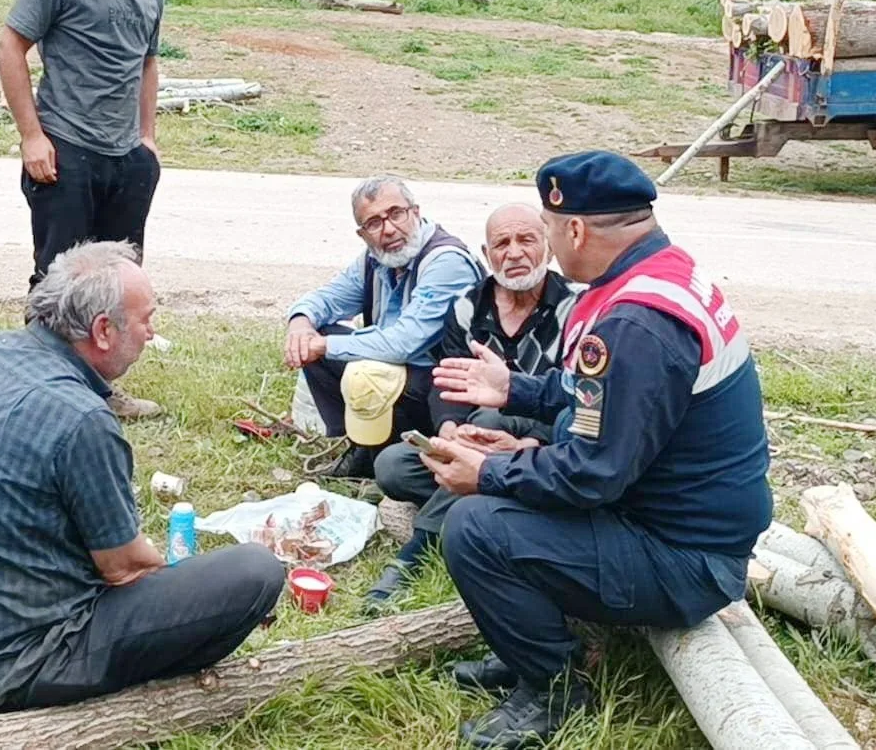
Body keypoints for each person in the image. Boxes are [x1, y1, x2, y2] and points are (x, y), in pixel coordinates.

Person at [424, 151, 772, 749]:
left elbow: (592, 475)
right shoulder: (661, 273)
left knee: (475, 526)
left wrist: (490, 470)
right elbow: (609, 403)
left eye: (550, 232)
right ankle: (527, 651)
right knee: (504, 497)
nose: (552, 249)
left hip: (687, 557)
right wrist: (518, 391)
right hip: (675, 520)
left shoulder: (634, 322)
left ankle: (553, 690)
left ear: (576, 227)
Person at [0, 241, 285, 715]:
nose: (152, 333)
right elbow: (125, 568)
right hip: (27, 664)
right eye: (147, 319)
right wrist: (180, 581)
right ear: (103, 330)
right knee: (255, 572)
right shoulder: (81, 419)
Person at [0, 0, 165, 419]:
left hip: (126, 160)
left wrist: (147, 140)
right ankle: (39, 390)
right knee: (56, 281)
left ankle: (101, 394)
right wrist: (31, 137)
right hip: (65, 149)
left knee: (115, 286)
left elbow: (147, 63)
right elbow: (10, 47)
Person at [362, 203, 577, 614]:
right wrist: (447, 431)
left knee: (491, 418)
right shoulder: (468, 307)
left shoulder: (574, 310)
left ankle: (413, 553)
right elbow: (446, 385)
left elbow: (577, 401)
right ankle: (484, 492)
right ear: (486, 253)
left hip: (541, 451)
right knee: (392, 465)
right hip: (478, 438)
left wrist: (529, 442)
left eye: (526, 240)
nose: (514, 253)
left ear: (548, 248)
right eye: (502, 243)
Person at [284, 176, 484, 480]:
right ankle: (361, 445)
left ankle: (385, 454)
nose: (389, 229)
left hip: (447, 389)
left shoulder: (446, 262)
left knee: (345, 355)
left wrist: (324, 345)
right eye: (374, 223)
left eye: (396, 214)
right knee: (320, 338)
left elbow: (404, 343)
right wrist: (300, 323)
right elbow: (328, 297)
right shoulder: (376, 259)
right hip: (402, 372)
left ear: (415, 212)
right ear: (363, 234)